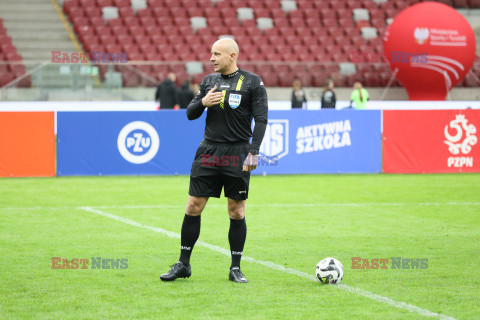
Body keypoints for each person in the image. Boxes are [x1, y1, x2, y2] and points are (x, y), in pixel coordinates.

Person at [160, 38, 268, 283]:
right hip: (208, 151)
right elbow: (190, 113)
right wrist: (202, 102)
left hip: (238, 152)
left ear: (232, 55)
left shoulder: (253, 82)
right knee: (192, 206)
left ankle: (235, 268)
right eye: (211, 54)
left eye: (217, 54)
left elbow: (261, 120)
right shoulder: (209, 81)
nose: (211, 59)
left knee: (236, 210)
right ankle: (183, 264)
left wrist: (254, 151)